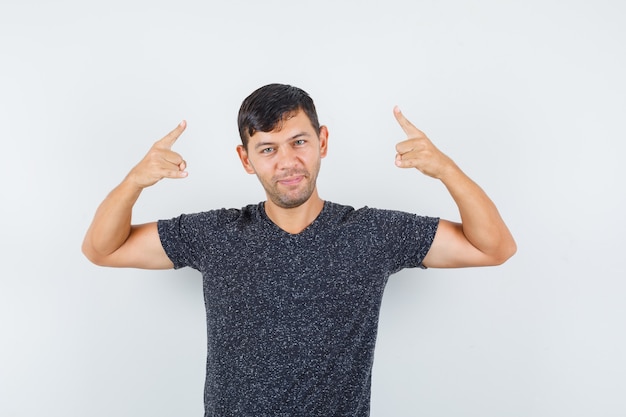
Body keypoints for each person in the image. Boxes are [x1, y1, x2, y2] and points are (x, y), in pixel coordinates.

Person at [82, 83, 516, 416]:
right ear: (245, 158)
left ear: (322, 142)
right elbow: (102, 249)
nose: (287, 161)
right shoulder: (216, 233)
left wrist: (445, 169)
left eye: (299, 142)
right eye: (267, 149)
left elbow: (495, 247)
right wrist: (134, 181)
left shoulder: (374, 232)